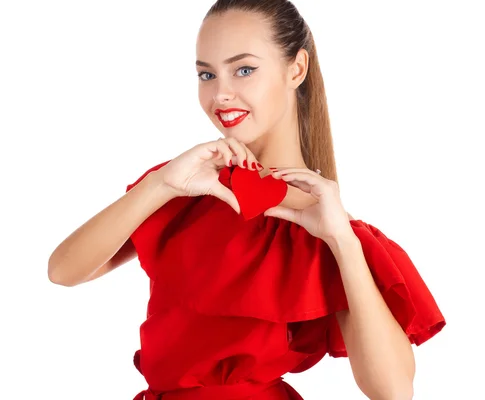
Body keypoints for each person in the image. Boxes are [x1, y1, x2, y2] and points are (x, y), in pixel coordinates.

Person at [47, 1, 446, 399]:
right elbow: (63, 271)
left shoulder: (321, 223)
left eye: (244, 70)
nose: (220, 94)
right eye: (206, 74)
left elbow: (393, 392)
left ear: (297, 69)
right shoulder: (187, 189)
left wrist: (342, 242)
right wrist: (160, 185)